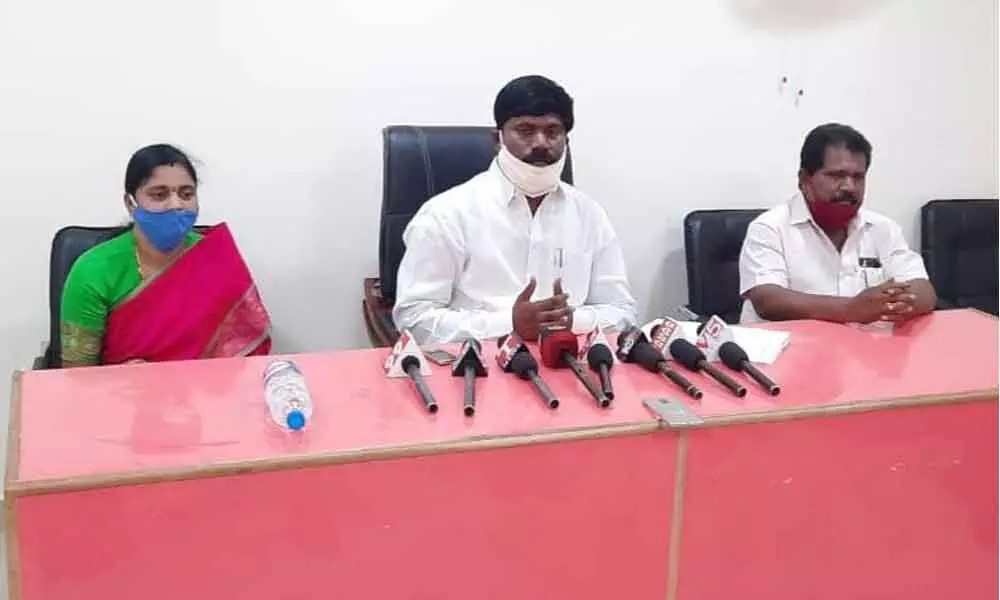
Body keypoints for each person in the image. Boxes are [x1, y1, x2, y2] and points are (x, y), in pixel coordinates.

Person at [393, 75, 638, 343]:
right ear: (497, 139)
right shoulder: (446, 215)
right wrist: (509, 323)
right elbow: (414, 320)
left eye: (553, 131)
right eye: (525, 130)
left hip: (570, 364)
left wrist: (573, 320)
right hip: (473, 370)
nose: (541, 143)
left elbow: (622, 312)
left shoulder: (589, 214)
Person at [60, 144, 272, 367]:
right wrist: (118, 375)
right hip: (123, 395)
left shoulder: (215, 258)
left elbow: (245, 352)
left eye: (187, 194)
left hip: (207, 391)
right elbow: (77, 374)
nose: (176, 204)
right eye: (159, 195)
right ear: (130, 203)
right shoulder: (94, 270)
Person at [739, 123, 937, 325]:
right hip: (791, 351)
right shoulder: (770, 228)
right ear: (804, 180)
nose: (849, 186)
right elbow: (768, 300)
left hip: (864, 351)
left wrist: (902, 301)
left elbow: (923, 289)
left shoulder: (883, 228)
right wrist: (852, 309)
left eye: (858, 177)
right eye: (836, 176)